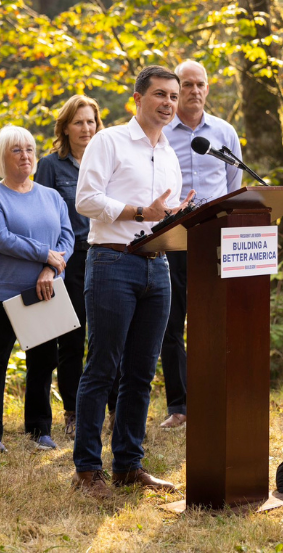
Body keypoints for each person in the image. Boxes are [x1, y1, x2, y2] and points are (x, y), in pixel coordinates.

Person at [71, 66, 195, 500]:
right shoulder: (109, 142)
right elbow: (86, 200)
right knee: (103, 368)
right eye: (160, 95)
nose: (168, 103)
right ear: (137, 99)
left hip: (157, 267)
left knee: (142, 372)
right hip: (112, 263)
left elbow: (165, 215)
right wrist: (140, 212)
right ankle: (87, 470)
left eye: (174, 97)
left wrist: (180, 218)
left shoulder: (172, 155)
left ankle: (128, 464)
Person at [0, 125, 74, 453]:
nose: (25, 156)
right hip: (0, 292)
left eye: (29, 149)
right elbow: (0, 238)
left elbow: (67, 239)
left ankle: (39, 430)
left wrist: (50, 267)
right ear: (3, 157)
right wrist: (44, 253)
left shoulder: (51, 197)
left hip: (43, 290)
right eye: (16, 150)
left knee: (43, 361)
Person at [159, 59, 242, 430]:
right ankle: (179, 406)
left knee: (215, 320)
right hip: (174, 239)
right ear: (177, 89)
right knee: (171, 322)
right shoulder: (161, 134)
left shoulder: (225, 132)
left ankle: (215, 398)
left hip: (216, 240)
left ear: (208, 89)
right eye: (187, 84)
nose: (194, 91)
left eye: (200, 84)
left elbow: (234, 185)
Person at [34, 94, 114, 439]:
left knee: (109, 337)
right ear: (65, 127)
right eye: (78, 122)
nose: (86, 128)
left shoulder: (109, 163)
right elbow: (42, 218)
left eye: (91, 122)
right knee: (71, 339)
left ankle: (115, 410)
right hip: (68, 261)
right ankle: (73, 413)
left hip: (107, 255)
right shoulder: (51, 166)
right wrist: (49, 264)